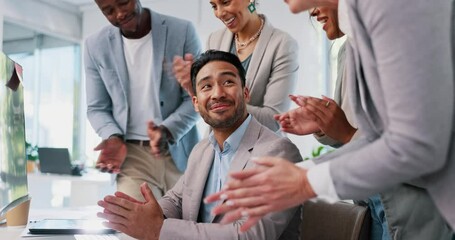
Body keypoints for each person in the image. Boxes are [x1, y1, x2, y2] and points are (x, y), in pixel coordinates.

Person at [205, 0, 455, 233]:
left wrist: (306, 180)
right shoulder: (356, 36)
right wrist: (300, 173)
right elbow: (374, 138)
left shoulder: (389, 8)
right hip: (374, 198)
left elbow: (418, 147)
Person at [277, 6, 453, 240]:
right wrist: (325, 126)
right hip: (370, 208)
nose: (311, 11)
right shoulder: (349, 49)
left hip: (413, 217)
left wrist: (349, 134)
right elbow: (356, 134)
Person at [97, 50, 302, 240]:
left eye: (228, 82)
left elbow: (251, 234)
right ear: (196, 102)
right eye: (206, 86)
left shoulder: (279, 152)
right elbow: (177, 200)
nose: (217, 94)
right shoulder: (201, 150)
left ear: (245, 93)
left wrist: (158, 229)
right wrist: (146, 213)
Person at [84, 0, 201, 200]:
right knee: (136, 228)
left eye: (123, 3)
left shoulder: (182, 31)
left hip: (181, 151)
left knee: (186, 227)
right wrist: (112, 137)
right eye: (109, 11)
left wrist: (168, 130)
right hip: (132, 158)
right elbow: (97, 107)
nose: (119, 14)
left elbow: (197, 97)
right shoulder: (95, 45)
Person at [173, 0, 299, 132]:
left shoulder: (282, 45)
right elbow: (210, 113)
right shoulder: (215, 39)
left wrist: (221, 104)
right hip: (220, 146)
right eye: (214, 6)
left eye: (225, 2)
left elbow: (273, 120)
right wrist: (194, 89)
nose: (220, 13)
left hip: (260, 147)